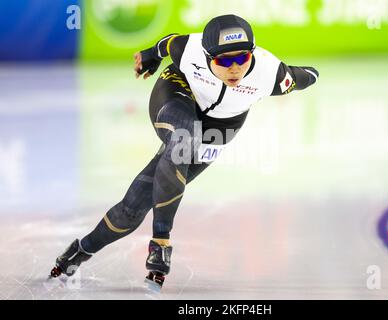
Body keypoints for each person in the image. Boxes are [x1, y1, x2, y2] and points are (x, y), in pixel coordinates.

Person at [50, 14, 319, 289]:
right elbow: (167, 44)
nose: (235, 68)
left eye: (242, 59)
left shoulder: (271, 74)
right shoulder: (189, 49)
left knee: (133, 209)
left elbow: (304, 76)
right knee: (183, 138)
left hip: (221, 127)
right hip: (178, 92)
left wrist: (312, 74)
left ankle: (79, 250)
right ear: (206, 55)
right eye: (224, 61)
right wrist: (149, 56)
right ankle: (161, 241)